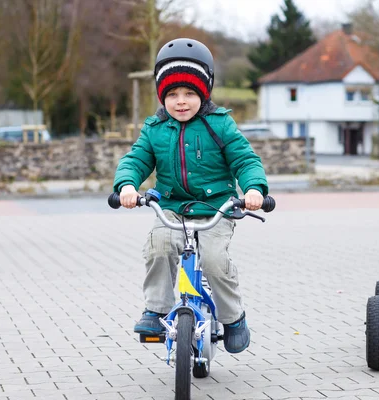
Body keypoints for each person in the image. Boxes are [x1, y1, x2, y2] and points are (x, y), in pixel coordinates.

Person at [112, 38, 268, 354]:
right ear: (162, 96)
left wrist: (253, 190)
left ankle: (233, 317)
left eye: (189, 93)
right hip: (171, 208)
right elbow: (137, 159)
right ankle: (155, 310)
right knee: (158, 247)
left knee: (213, 259)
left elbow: (245, 159)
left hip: (217, 208)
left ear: (203, 93)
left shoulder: (219, 124)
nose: (181, 101)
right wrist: (127, 186)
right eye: (172, 94)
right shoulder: (155, 128)